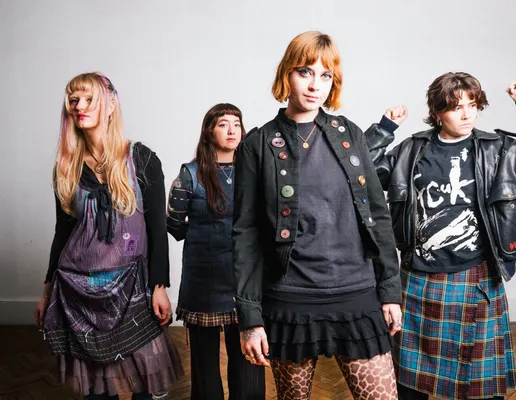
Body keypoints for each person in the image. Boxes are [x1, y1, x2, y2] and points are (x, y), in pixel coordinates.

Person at [366, 72, 516, 399]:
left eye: (472, 105)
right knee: (409, 386)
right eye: (456, 107)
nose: (466, 114)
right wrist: (384, 128)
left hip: (476, 277)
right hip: (419, 279)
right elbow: (359, 171)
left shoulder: (500, 151)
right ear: (437, 112)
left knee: (483, 390)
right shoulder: (410, 151)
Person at [232, 31, 402, 400]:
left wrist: (390, 290)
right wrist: (250, 318)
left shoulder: (350, 134)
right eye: (305, 72)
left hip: (356, 291)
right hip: (290, 299)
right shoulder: (258, 145)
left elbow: (378, 214)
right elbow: (246, 234)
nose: (315, 86)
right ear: (287, 74)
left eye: (325, 75)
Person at [34, 72, 183, 400]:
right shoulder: (66, 167)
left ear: (112, 104)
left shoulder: (141, 159)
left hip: (132, 287)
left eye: (89, 99)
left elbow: (157, 229)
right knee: (97, 388)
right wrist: (46, 292)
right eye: (74, 100)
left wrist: (159, 286)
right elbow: (63, 231)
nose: (79, 106)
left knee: (144, 384)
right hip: (79, 289)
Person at [166, 103, 265, 399]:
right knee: (205, 367)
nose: (232, 130)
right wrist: (205, 237)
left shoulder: (255, 171)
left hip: (245, 281)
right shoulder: (190, 174)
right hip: (204, 281)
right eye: (223, 124)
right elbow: (174, 224)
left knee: (248, 361)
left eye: (236, 123)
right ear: (209, 132)